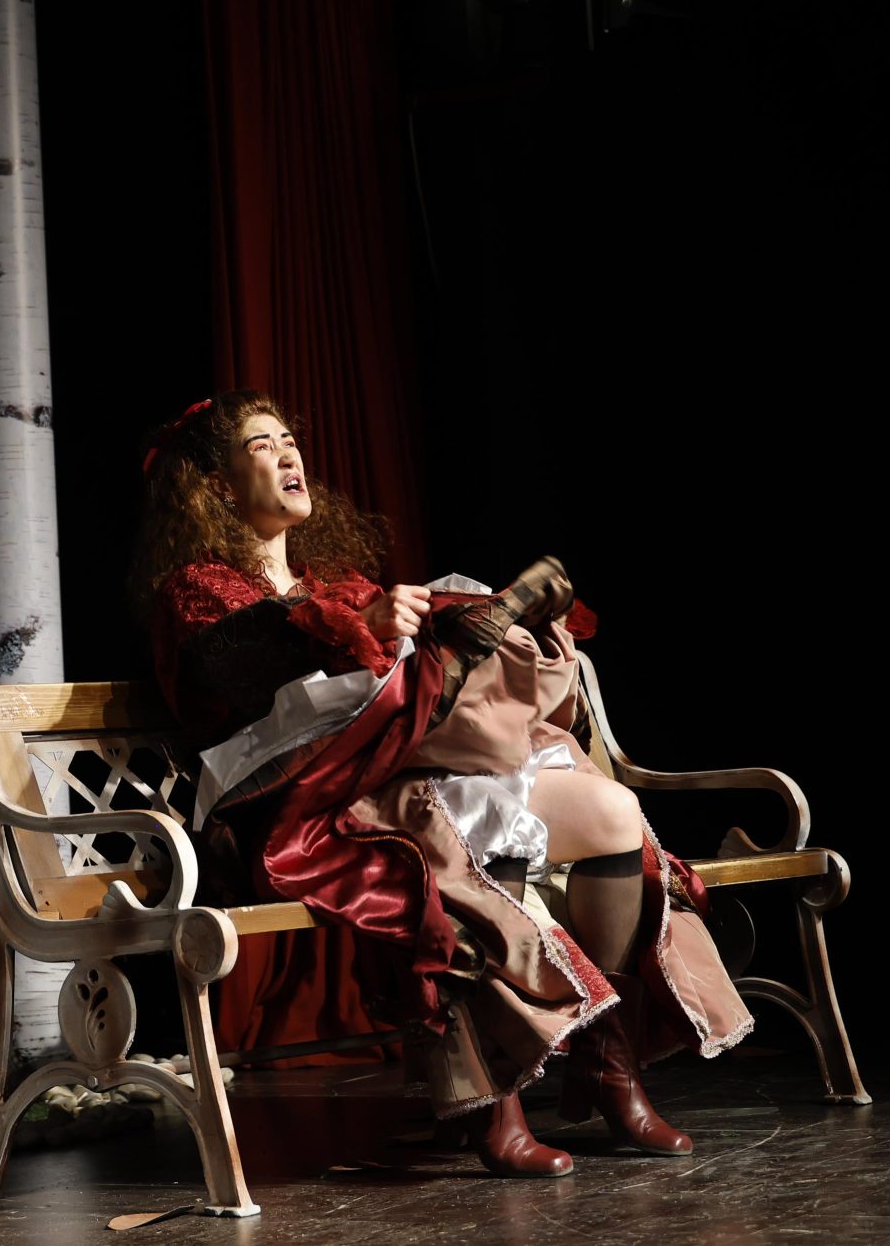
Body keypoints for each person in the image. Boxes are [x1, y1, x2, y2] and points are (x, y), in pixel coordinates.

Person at [132, 393, 752, 1178]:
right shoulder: (198, 586)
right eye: (263, 444)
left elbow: (383, 680)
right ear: (218, 485)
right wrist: (358, 629)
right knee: (448, 856)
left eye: (291, 438)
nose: (290, 454)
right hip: (302, 808)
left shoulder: (335, 579)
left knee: (613, 812)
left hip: (400, 769)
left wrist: (420, 627)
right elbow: (240, 675)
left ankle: (606, 1056)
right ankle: (495, 1099)